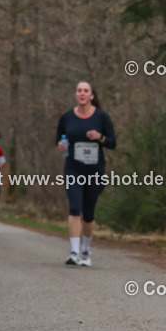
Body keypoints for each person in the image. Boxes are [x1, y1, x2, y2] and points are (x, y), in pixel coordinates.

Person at [56, 81, 115, 267]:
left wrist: (100, 137)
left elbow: (112, 142)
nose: (82, 93)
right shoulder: (66, 117)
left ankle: (86, 251)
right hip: (73, 168)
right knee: (75, 208)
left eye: (85, 91)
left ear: (91, 95)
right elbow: (58, 137)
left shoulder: (101, 117)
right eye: (79, 90)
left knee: (88, 213)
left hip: (95, 170)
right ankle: (74, 252)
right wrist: (60, 144)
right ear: (76, 94)